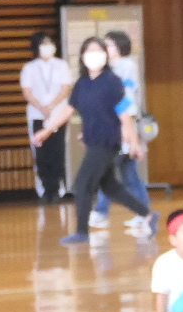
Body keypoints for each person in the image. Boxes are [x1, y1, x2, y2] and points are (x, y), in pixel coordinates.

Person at [30, 36, 154, 247]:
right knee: (111, 187)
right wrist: (47, 131)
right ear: (82, 56)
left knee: (82, 185)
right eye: (89, 51)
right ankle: (149, 216)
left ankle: (82, 232)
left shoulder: (112, 81)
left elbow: (125, 115)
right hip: (92, 141)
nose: (94, 55)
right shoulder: (82, 84)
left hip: (107, 142)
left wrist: (134, 142)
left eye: (98, 50)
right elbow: (68, 110)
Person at [92, 30, 155, 239]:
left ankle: (101, 211)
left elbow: (128, 98)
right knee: (130, 175)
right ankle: (144, 213)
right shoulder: (108, 68)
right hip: (114, 126)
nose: (106, 48)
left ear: (119, 46)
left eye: (109, 44)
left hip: (123, 127)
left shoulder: (127, 65)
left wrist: (125, 129)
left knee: (107, 169)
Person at [20, 31, 73, 203]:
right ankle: (45, 189)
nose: (47, 47)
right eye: (43, 44)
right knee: (41, 153)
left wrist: (52, 106)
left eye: (49, 43)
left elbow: (66, 87)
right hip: (37, 115)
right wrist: (42, 108)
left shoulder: (61, 65)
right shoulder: (29, 68)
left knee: (57, 151)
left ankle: (57, 189)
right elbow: (27, 92)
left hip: (58, 115)